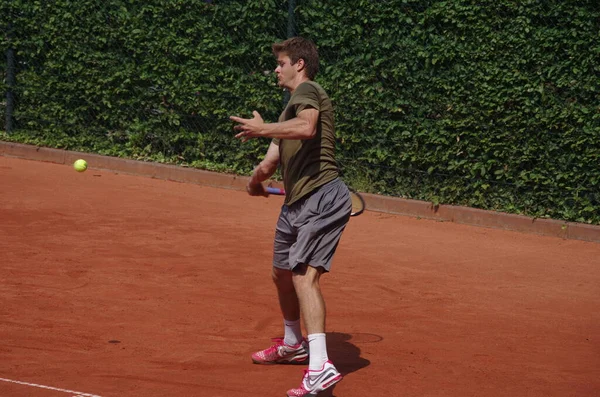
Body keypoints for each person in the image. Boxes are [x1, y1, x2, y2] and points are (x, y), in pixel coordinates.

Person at [230, 37, 352, 397]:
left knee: (303, 276)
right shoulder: (287, 114)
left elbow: (307, 128)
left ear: (299, 64)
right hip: (295, 204)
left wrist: (262, 127)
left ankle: (319, 368)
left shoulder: (308, 91)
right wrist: (254, 182)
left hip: (322, 197)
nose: (276, 69)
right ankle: (293, 343)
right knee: (281, 273)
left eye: (281, 62)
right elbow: (270, 162)